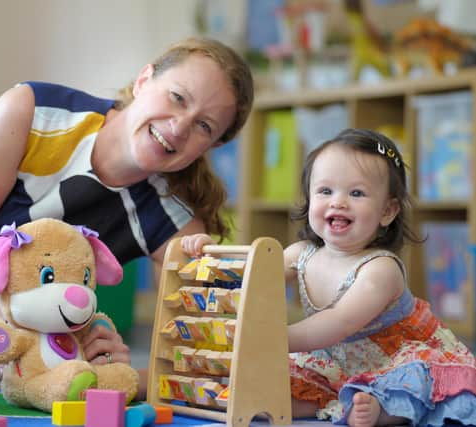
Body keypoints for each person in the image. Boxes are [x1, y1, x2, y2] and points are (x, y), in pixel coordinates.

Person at [0, 37, 254, 394]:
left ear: (212, 147)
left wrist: (108, 366)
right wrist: (32, 339)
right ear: (143, 80)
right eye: (178, 97)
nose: (180, 127)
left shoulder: (172, 223)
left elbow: (200, 357)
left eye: (204, 127)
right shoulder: (34, 110)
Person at [181, 128, 476, 427]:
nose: (338, 202)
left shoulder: (380, 269)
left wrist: (267, 339)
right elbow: (250, 281)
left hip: (392, 359)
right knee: (275, 378)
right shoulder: (300, 254)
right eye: (325, 191)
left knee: (412, 383)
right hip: (330, 361)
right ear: (309, 199)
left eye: (356, 193)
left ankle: (382, 411)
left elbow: (339, 322)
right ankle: (276, 402)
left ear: (387, 211)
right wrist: (209, 258)